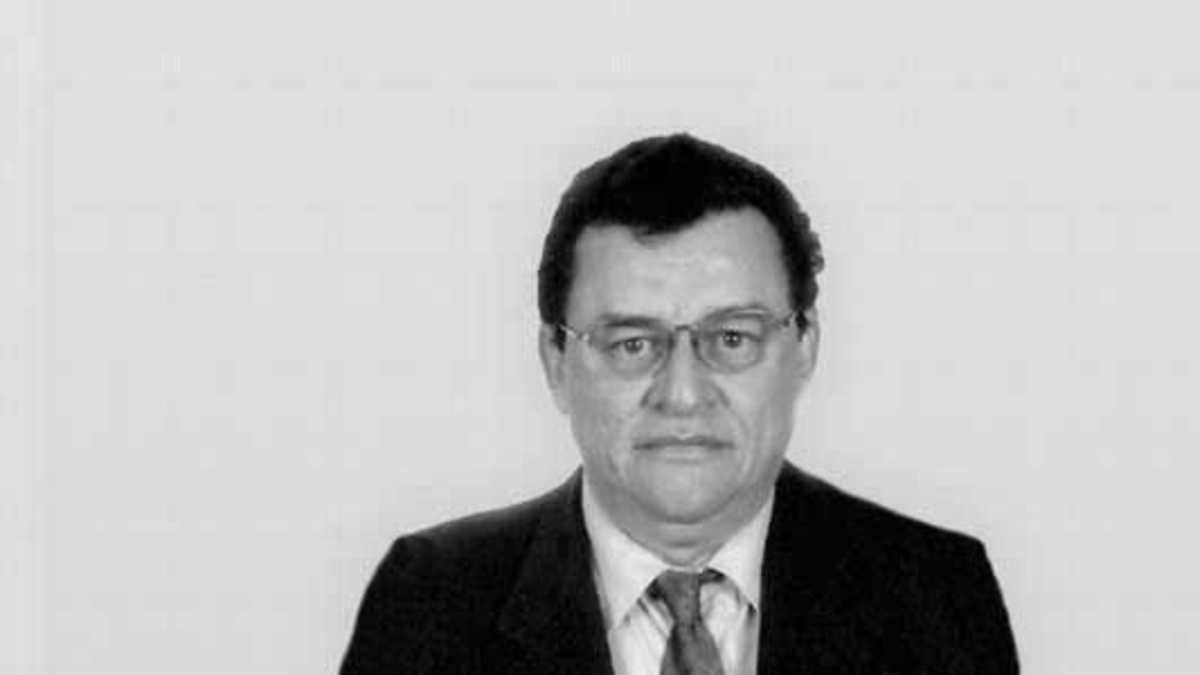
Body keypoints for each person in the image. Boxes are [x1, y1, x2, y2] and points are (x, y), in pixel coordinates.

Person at [339, 134, 1019, 674]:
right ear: (555, 359)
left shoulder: (932, 593)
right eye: (633, 344)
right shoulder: (431, 603)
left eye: (732, 338)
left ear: (805, 344)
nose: (684, 394)